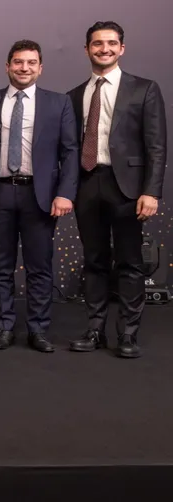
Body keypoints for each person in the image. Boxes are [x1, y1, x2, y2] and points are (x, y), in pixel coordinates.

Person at [68, 21, 166, 358]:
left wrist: (151, 191)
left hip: (128, 188)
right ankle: (95, 331)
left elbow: (156, 145)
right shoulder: (74, 95)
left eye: (111, 43)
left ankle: (128, 334)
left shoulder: (144, 89)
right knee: (94, 261)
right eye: (97, 43)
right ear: (87, 49)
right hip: (87, 183)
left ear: (122, 48)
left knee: (129, 262)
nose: (104, 49)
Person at [0, 40, 78, 353]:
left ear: (40, 68)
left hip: (40, 195)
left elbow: (70, 151)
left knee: (40, 266)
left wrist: (65, 193)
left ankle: (38, 330)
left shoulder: (58, 103)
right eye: (18, 62)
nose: (24, 68)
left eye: (31, 63)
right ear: (7, 66)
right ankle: (4, 328)